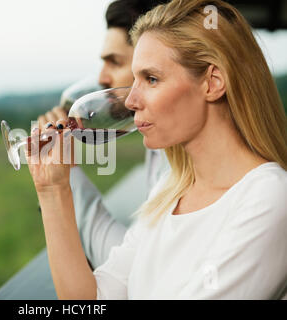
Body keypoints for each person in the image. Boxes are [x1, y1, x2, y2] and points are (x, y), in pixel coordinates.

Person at [26, 0, 287, 300]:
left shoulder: (268, 198)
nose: (131, 100)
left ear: (212, 83)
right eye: (135, 79)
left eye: (151, 79)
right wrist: (53, 190)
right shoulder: (169, 190)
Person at [35, 0, 170, 270]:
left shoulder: (179, 152)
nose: (101, 77)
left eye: (114, 61)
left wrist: (65, 177)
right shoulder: (157, 144)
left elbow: (133, 271)